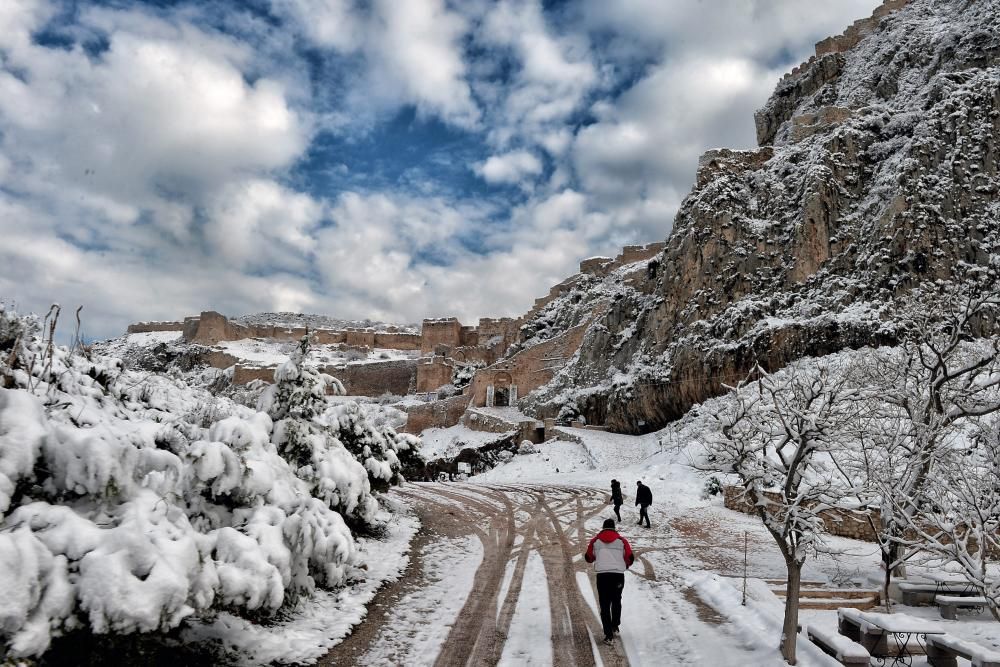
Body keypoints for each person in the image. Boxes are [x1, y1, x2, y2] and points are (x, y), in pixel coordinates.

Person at [585, 518, 635, 645]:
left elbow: (589, 557)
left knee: (605, 604)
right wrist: (625, 565)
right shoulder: (622, 541)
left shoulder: (595, 541)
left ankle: (608, 636)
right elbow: (629, 557)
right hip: (617, 576)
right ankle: (615, 626)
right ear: (614, 528)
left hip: (603, 576)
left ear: (603, 527)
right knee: (616, 600)